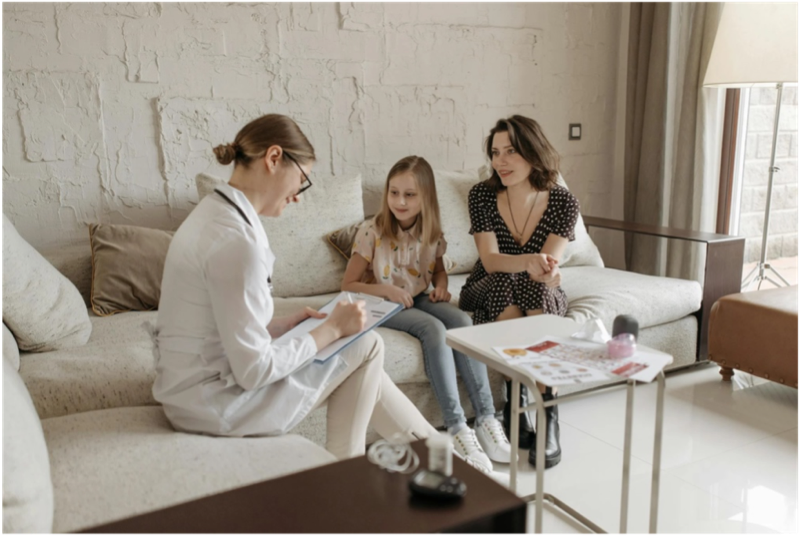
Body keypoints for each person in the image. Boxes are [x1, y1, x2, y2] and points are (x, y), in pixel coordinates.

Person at [151, 114, 438, 460]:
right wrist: (330, 330)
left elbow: (215, 327)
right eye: (302, 180)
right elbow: (254, 371)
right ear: (273, 158)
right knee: (366, 344)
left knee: (360, 356)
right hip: (218, 405)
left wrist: (282, 327)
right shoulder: (236, 243)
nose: (298, 197)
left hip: (191, 393)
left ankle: (436, 453)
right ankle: (357, 470)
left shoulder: (212, 214)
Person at [341, 155, 512, 473]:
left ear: (426, 197)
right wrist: (387, 290)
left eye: (410, 194)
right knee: (433, 330)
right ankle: (457, 426)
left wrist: (442, 288)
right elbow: (348, 284)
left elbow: (438, 272)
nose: (400, 201)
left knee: (462, 321)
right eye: (394, 193)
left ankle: (487, 419)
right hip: (380, 303)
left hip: (418, 297)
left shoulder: (431, 232)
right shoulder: (371, 231)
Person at [459, 116, 580, 469]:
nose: (501, 161)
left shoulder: (563, 202)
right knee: (505, 280)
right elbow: (490, 261)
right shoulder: (482, 195)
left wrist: (550, 273)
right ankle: (518, 392)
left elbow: (548, 266)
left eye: (510, 151)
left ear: (533, 151)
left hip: (536, 290)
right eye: (495, 153)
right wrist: (529, 261)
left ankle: (546, 412)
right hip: (487, 285)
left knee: (535, 288)